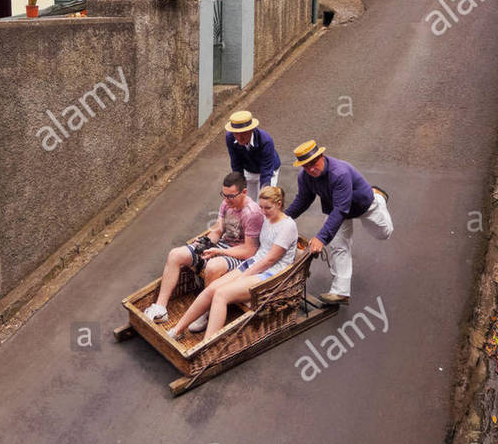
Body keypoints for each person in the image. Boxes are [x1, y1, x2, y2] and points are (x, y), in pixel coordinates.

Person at [167, 186, 298, 341]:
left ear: (279, 204)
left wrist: (243, 276)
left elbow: (270, 260)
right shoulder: (267, 218)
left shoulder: (287, 226)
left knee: (221, 295)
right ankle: (177, 330)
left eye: (267, 207)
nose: (263, 211)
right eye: (261, 207)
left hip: (272, 273)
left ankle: (207, 344)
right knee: (211, 289)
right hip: (254, 263)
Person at [143, 172, 262, 323]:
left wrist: (219, 251)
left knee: (213, 266)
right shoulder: (226, 204)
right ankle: (160, 308)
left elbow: (249, 251)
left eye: (231, 196)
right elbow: (218, 230)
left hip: (239, 255)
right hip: (221, 246)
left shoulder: (252, 213)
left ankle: (206, 311)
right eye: (224, 195)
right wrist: (205, 244)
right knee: (176, 254)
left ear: (244, 192)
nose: (226, 200)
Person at [286, 139, 393, 305]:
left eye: (314, 163)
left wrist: (321, 238)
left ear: (322, 156)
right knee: (338, 245)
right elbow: (303, 200)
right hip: (336, 207)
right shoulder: (305, 176)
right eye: (306, 166)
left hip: (362, 204)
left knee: (384, 234)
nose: (311, 169)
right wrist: (284, 218)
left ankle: (378, 196)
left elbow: (341, 209)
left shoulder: (339, 173)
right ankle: (341, 292)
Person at [224, 110, 281, 202]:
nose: (239, 138)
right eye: (236, 133)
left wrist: (264, 192)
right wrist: (240, 185)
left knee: (264, 203)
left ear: (251, 130)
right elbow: (236, 163)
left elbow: (266, 172)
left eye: (243, 133)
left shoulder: (266, 140)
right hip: (249, 170)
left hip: (269, 170)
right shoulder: (230, 137)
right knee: (247, 202)